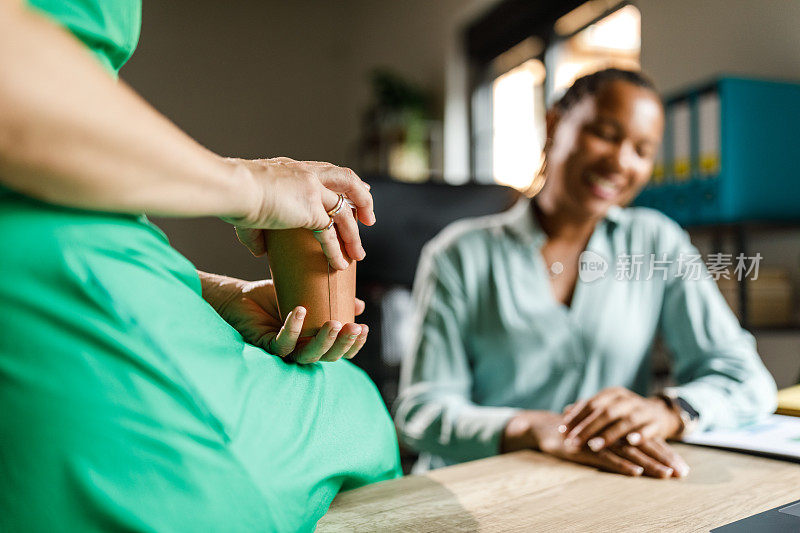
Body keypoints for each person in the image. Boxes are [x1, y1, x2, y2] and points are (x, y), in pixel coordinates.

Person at [0, 1, 400, 531]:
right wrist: (251, 187)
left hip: (103, 266)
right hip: (46, 280)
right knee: (346, 418)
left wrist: (209, 292)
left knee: (353, 399)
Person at [394, 68, 777, 478]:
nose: (620, 162)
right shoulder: (459, 254)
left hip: (599, 488)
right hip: (474, 487)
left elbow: (747, 379)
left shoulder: (655, 241)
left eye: (642, 151)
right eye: (606, 134)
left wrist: (668, 411)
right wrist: (534, 428)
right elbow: (421, 411)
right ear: (554, 123)